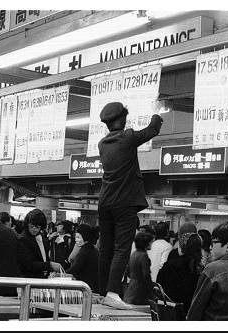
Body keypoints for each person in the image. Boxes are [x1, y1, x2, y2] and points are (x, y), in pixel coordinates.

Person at [97, 101, 163, 310]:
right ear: (123, 119)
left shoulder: (102, 143)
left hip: (104, 201)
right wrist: (156, 112)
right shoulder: (127, 138)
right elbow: (153, 129)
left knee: (106, 249)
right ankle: (112, 292)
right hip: (124, 202)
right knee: (121, 248)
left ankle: (101, 292)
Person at [157, 233, 203, 313]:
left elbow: (159, 287)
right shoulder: (200, 269)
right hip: (191, 312)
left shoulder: (169, 265)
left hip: (169, 310)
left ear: (181, 247)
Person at [17, 208, 62, 278]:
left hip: (41, 278)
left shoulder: (41, 236)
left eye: (37, 227)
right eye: (31, 226)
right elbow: (28, 264)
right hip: (29, 279)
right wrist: (49, 265)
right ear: (27, 224)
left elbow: (44, 256)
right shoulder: (23, 239)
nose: (34, 229)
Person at [66, 223, 99, 293]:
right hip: (93, 285)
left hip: (86, 287)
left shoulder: (85, 250)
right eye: (75, 237)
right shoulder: (92, 248)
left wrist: (61, 274)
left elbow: (74, 269)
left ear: (85, 237)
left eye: (78, 237)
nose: (75, 240)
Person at [123, 232, 155, 305]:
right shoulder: (143, 256)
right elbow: (146, 275)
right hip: (140, 289)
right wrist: (150, 289)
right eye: (150, 242)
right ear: (146, 244)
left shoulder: (134, 254)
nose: (151, 244)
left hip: (131, 286)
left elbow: (128, 272)